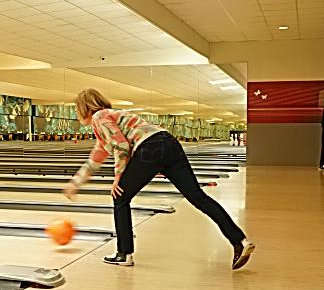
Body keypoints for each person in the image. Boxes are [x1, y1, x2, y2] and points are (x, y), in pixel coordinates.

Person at [62, 89, 255, 270]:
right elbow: (95, 159)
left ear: (84, 108)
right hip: (169, 143)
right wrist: (75, 183)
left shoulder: (99, 117)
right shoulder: (111, 119)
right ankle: (239, 240)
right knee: (197, 196)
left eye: (77, 109)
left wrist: (119, 177)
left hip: (151, 147)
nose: (77, 114)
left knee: (120, 196)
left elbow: (121, 145)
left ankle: (124, 253)